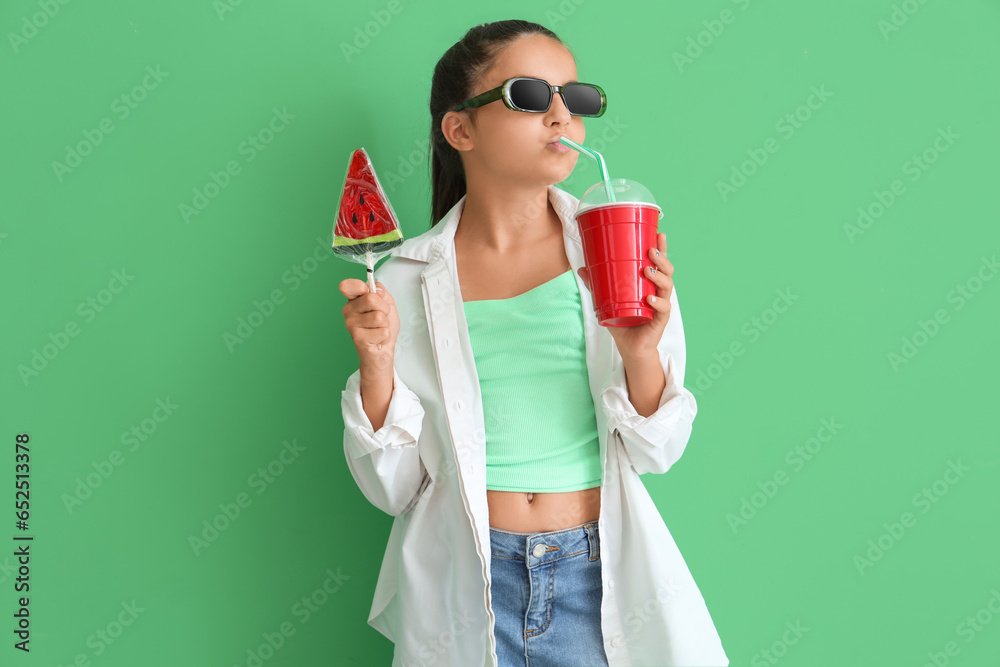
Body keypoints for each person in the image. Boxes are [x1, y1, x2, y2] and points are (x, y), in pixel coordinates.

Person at [338, 19, 729, 667]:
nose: (560, 115)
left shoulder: (618, 245)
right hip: (469, 582)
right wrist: (377, 368)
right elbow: (397, 490)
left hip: (593, 576)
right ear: (460, 129)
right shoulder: (405, 279)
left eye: (574, 100)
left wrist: (638, 353)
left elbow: (656, 450)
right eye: (527, 95)